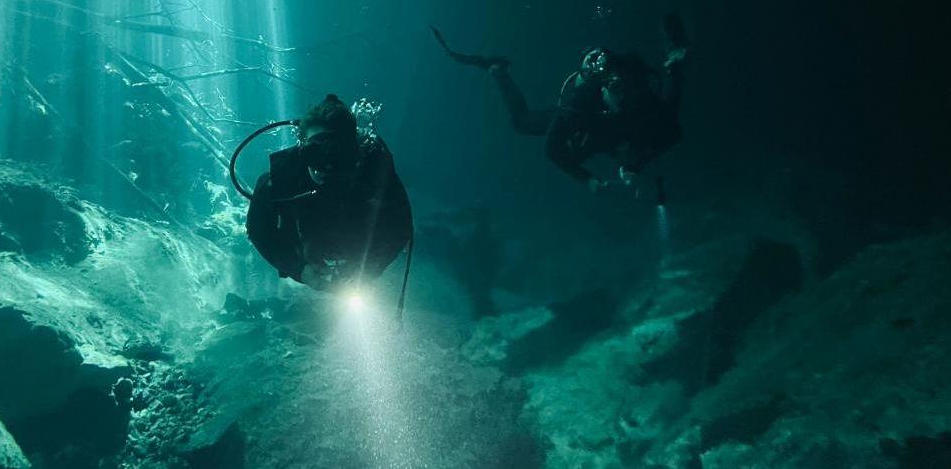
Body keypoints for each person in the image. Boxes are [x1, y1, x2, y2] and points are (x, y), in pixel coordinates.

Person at [443, 17, 688, 193]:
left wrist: (636, 165)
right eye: (616, 89)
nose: (623, 96)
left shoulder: (642, 100)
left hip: (610, 132)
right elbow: (552, 150)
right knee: (522, 121)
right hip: (585, 123)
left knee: (651, 131)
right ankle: (500, 74)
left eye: (628, 90)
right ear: (603, 87)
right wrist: (588, 180)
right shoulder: (580, 102)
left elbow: (672, 128)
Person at [245, 95, 413, 290]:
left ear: (354, 151)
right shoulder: (279, 181)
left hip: (357, 251)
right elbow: (258, 229)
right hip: (306, 251)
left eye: (337, 153)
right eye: (315, 152)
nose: (327, 164)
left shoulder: (374, 176)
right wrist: (299, 270)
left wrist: (367, 270)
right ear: (302, 148)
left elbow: (400, 228)